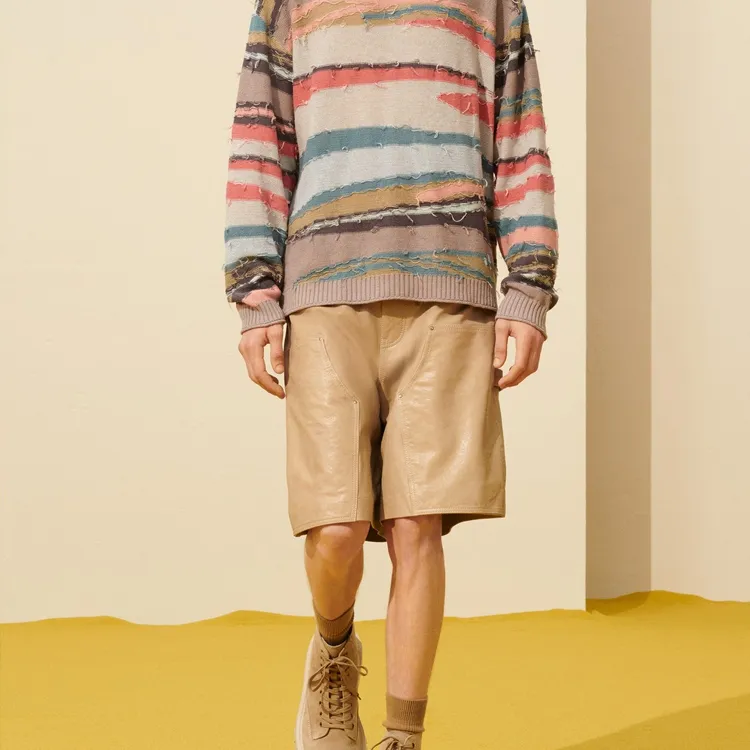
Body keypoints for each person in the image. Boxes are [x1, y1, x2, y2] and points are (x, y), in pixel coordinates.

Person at [223, 0, 558, 746]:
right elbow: (260, 142)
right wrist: (255, 295)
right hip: (324, 289)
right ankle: (334, 650)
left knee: (418, 524)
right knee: (335, 529)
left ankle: (404, 735)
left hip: (451, 288)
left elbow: (520, 142)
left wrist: (529, 288)